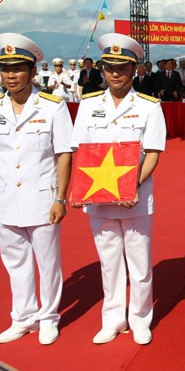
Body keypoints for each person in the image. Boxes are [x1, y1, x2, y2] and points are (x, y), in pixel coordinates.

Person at [0, 33, 73, 345]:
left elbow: (64, 154)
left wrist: (60, 196)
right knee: (15, 262)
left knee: (47, 262)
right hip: (6, 199)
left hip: (43, 197)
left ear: (32, 72)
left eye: (18, 69)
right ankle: (23, 317)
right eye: (6, 70)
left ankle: (48, 318)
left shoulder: (51, 106)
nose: (11, 76)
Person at [71, 33, 166, 345]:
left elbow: (153, 152)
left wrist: (132, 186)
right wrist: (77, 189)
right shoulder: (88, 105)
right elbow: (80, 150)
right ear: (102, 69)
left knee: (139, 264)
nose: (115, 73)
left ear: (134, 69)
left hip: (134, 197)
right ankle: (113, 318)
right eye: (109, 67)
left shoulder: (149, 106)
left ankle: (140, 318)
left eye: (122, 67)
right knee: (109, 261)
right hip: (98, 197)